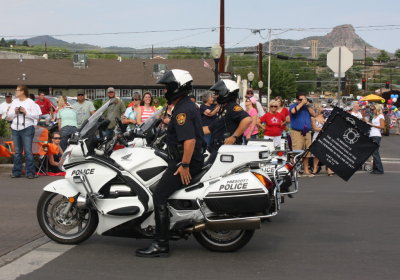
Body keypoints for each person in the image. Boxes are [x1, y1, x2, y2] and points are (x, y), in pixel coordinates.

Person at [135, 69, 204, 258]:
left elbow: (189, 141)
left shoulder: (183, 110)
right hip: (181, 158)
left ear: (176, 88)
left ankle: (161, 244)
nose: (165, 91)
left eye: (167, 87)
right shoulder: (186, 106)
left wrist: (185, 165)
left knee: (159, 196)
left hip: (184, 161)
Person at [203, 79, 252, 164]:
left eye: (218, 93)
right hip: (217, 149)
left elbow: (247, 119)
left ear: (226, 93)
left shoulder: (232, 107)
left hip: (226, 152)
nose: (215, 96)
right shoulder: (223, 109)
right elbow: (209, 129)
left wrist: (234, 137)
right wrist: (190, 130)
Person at [8, 85, 41, 179]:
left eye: (17, 90)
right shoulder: (14, 102)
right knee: (17, 152)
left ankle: (30, 173)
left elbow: (36, 116)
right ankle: (16, 172)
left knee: (28, 151)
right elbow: (8, 117)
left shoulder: (30, 102)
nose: (15, 92)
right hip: (15, 128)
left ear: (22, 91)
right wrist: (15, 112)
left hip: (27, 128)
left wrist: (26, 112)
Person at [289, 93, 316, 176]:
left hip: (307, 132)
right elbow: (293, 111)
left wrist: (307, 106)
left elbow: (314, 114)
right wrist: (301, 103)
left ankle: (306, 170)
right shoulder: (293, 106)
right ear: (297, 100)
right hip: (297, 132)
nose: (303, 101)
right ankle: (295, 171)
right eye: (301, 99)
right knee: (297, 152)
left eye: (304, 99)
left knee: (307, 152)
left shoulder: (307, 107)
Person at [311, 104, 334, 176]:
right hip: (317, 136)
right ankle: (315, 168)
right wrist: (324, 129)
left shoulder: (326, 116)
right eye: (321, 107)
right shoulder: (313, 118)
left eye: (323, 108)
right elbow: (315, 128)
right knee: (316, 154)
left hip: (325, 137)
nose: (323, 109)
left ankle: (329, 169)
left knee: (327, 153)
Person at [368, 104, 384, 174]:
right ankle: (375, 169)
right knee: (373, 153)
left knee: (375, 153)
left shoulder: (381, 116)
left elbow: (382, 126)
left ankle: (380, 169)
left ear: (377, 109)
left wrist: (372, 125)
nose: (372, 110)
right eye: (372, 109)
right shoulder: (375, 117)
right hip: (372, 135)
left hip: (376, 136)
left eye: (373, 109)